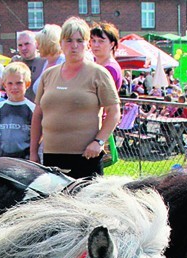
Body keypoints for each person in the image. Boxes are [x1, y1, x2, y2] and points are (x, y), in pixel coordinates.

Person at [30, 16, 120, 178]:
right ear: (61, 43)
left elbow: (114, 112)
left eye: (80, 40)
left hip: (86, 156)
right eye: (69, 40)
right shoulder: (48, 75)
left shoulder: (99, 74)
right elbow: (37, 115)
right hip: (52, 156)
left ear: (87, 44)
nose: (74, 46)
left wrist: (98, 142)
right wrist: (33, 152)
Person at [0, 62, 35, 159]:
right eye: (10, 83)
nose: (14, 87)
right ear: (4, 85)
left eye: (19, 83)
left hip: (26, 163)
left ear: (27, 84)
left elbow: (38, 141)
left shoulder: (33, 109)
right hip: (2, 162)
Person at [31, 24, 64, 98]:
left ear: (47, 44)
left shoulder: (64, 62)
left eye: (39, 44)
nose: (36, 47)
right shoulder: (46, 63)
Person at [89, 22, 122, 91]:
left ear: (112, 44)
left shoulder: (110, 68)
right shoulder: (92, 62)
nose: (96, 45)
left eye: (101, 41)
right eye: (93, 40)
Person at [16, 30, 46, 101]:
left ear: (36, 44)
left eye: (27, 44)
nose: (23, 48)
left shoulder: (45, 62)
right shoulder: (15, 62)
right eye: (20, 45)